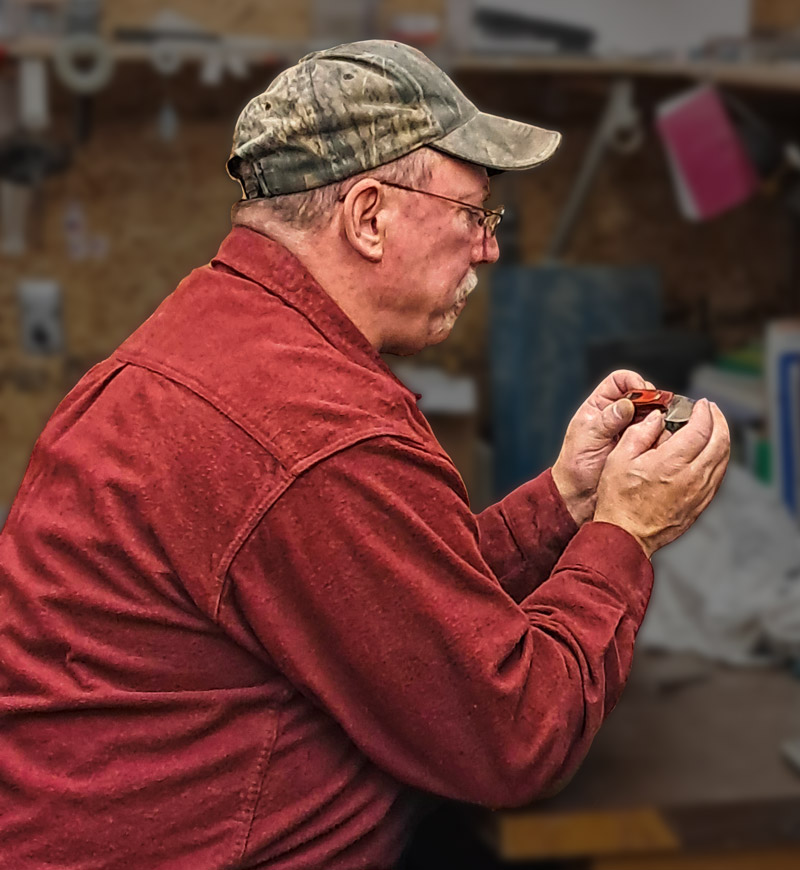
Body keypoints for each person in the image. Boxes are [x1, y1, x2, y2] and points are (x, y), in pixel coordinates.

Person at [0, 40, 729, 870]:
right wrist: (626, 534)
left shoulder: (209, 341)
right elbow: (515, 738)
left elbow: (384, 601)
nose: (487, 248)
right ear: (370, 216)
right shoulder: (316, 432)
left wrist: (565, 500)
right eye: (473, 215)